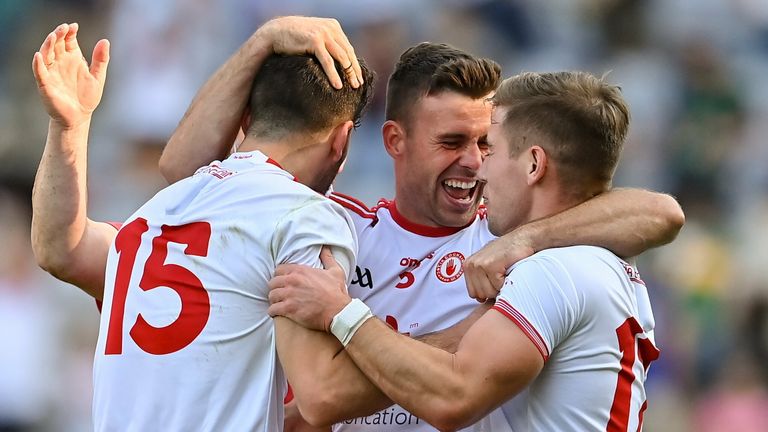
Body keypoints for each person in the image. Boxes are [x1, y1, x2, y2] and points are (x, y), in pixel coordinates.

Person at [160, 22, 684, 432]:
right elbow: (190, 179)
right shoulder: (335, 229)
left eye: (486, 145)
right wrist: (262, 43)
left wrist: (524, 240)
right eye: (453, 142)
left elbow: (661, 213)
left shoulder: (515, 243)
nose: (475, 163)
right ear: (394, 141)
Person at [30, 19, 382, 431]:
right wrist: (449, 353)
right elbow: (322, 394)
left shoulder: (157, 211)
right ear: (342, 140)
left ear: (246, 121)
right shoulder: (302, 213)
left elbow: (59, 248)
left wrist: (68, 128)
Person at [269, 71, 663, 431]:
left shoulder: (551, 269)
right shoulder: (600, 250)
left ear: (533, 164)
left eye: (490, 148)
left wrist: (340, 312)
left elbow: (453, 396)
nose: (480, 167)